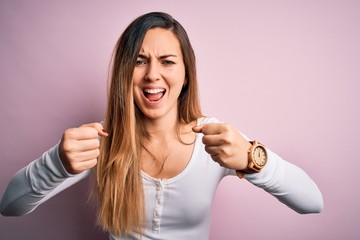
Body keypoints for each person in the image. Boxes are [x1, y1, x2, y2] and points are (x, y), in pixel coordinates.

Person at [0, 12, 323, 240]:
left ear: (185, 75)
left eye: (167, 61)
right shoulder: (100, 140)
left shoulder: (214, 139)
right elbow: (10, 207)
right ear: (124, 73)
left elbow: (312, 203)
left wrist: (253, 159)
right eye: (140, 61)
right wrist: (57, 162)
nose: (153, 74)